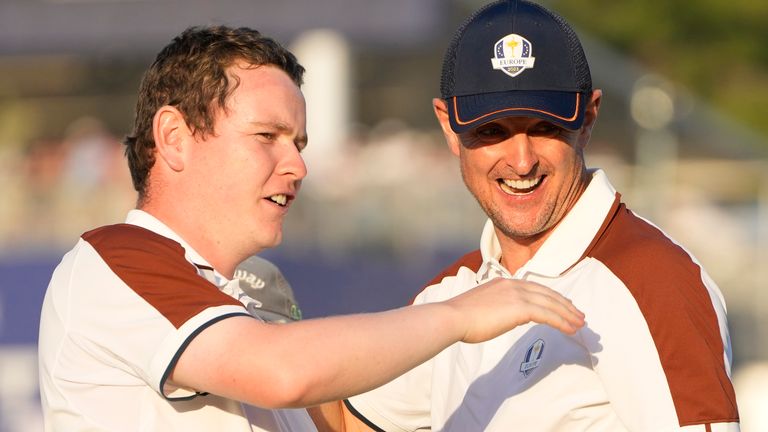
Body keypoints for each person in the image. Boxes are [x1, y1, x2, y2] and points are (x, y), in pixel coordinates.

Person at [36, 25, 586, 432]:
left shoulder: (258, 292)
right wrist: (462, 316)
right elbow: (282, 372)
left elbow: (339, 418)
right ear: (175, 137)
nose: (297, 166)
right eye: (267, 136)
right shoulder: (116, 258)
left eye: (297, 144)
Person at [331, 1, 741, 431]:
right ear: (449, 127)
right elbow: (343, 422)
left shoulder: (653, 279)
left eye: (545, 128)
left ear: (588, 118)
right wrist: (255, 324)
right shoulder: (456, 291)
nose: (522, 161)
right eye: (492, 131)